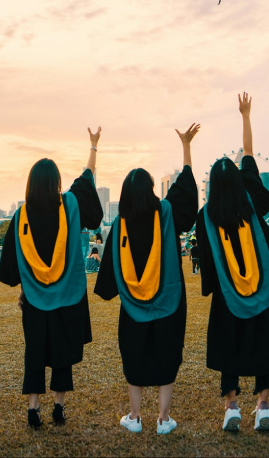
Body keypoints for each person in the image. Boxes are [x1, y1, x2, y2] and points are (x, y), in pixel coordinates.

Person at [194, 93, 269, 433]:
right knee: (264, 342)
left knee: (229, 347)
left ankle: (231, 405)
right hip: (265, 288)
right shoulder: (251, 198)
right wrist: (245, 116)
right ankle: (263, 405)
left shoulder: (205, 217)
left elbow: (204, 259)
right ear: (237, 180)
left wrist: (213, 285)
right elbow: (249, 154)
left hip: (228, 293)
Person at [94, 123, 200, 435]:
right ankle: (164, 420)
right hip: (169, 302)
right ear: (152, 190)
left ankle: (135, 416)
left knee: (135, 357)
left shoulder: (120, 226)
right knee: (167, 355)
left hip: (133, 309)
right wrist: (186, 147)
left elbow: (108, 279)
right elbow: (187, 194)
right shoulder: (166, 211)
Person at [0, 126, 104, 429]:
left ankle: (33, 408)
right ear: (57, 182)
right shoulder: (70, 204)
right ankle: (58, 407)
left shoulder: (21, 217)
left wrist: (25, 287)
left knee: (35, 351)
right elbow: (86, 181)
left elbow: (11, 263)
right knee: (62, 351)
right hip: (68, 297)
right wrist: (93, 147)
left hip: (34, 299)